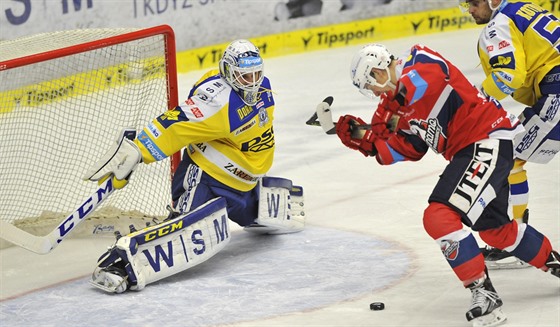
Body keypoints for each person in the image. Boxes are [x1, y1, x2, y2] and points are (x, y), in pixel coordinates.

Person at [333, 43, 560, 326]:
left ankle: (483, 293)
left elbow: (423, 82)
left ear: (379, 70)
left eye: (372, 85)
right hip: (476, 149)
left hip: (486, 139)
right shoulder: (392, 108)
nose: (376, 93)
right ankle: (554, 263)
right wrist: (362, 140)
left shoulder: (420, 60)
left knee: (439, 216)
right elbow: (409, 149)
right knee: (496, 231)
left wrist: (380, 123)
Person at [83, 39, 305, 293]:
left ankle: (248, 200)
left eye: (256, 73)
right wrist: (139, 149)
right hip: (208, 178)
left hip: (244, 184)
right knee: (183, 233)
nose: (252, 81)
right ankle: (118, 264)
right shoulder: (217, 102)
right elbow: (175, 123)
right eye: (244, 76)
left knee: (256, 215)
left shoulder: (263, 88)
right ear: (229, 72)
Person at [459, 0, 560, 269]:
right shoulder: (524, 7)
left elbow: (508, 76)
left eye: (475, 3)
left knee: (509, 156)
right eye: (466, 4)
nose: (470, 10)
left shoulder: (498, 24)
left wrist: (472, 103)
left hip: (557, 93)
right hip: (553, 90)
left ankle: (517, 243)